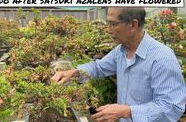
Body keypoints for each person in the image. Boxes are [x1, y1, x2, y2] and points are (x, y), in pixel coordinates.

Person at [51, 7, 186, 122]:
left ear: (133, 25)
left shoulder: (162, 58)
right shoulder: (121, 51)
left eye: (113, 24)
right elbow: (98, 67)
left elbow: (171, 107)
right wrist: (72, 73)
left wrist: (127, 111)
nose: (108, 30)